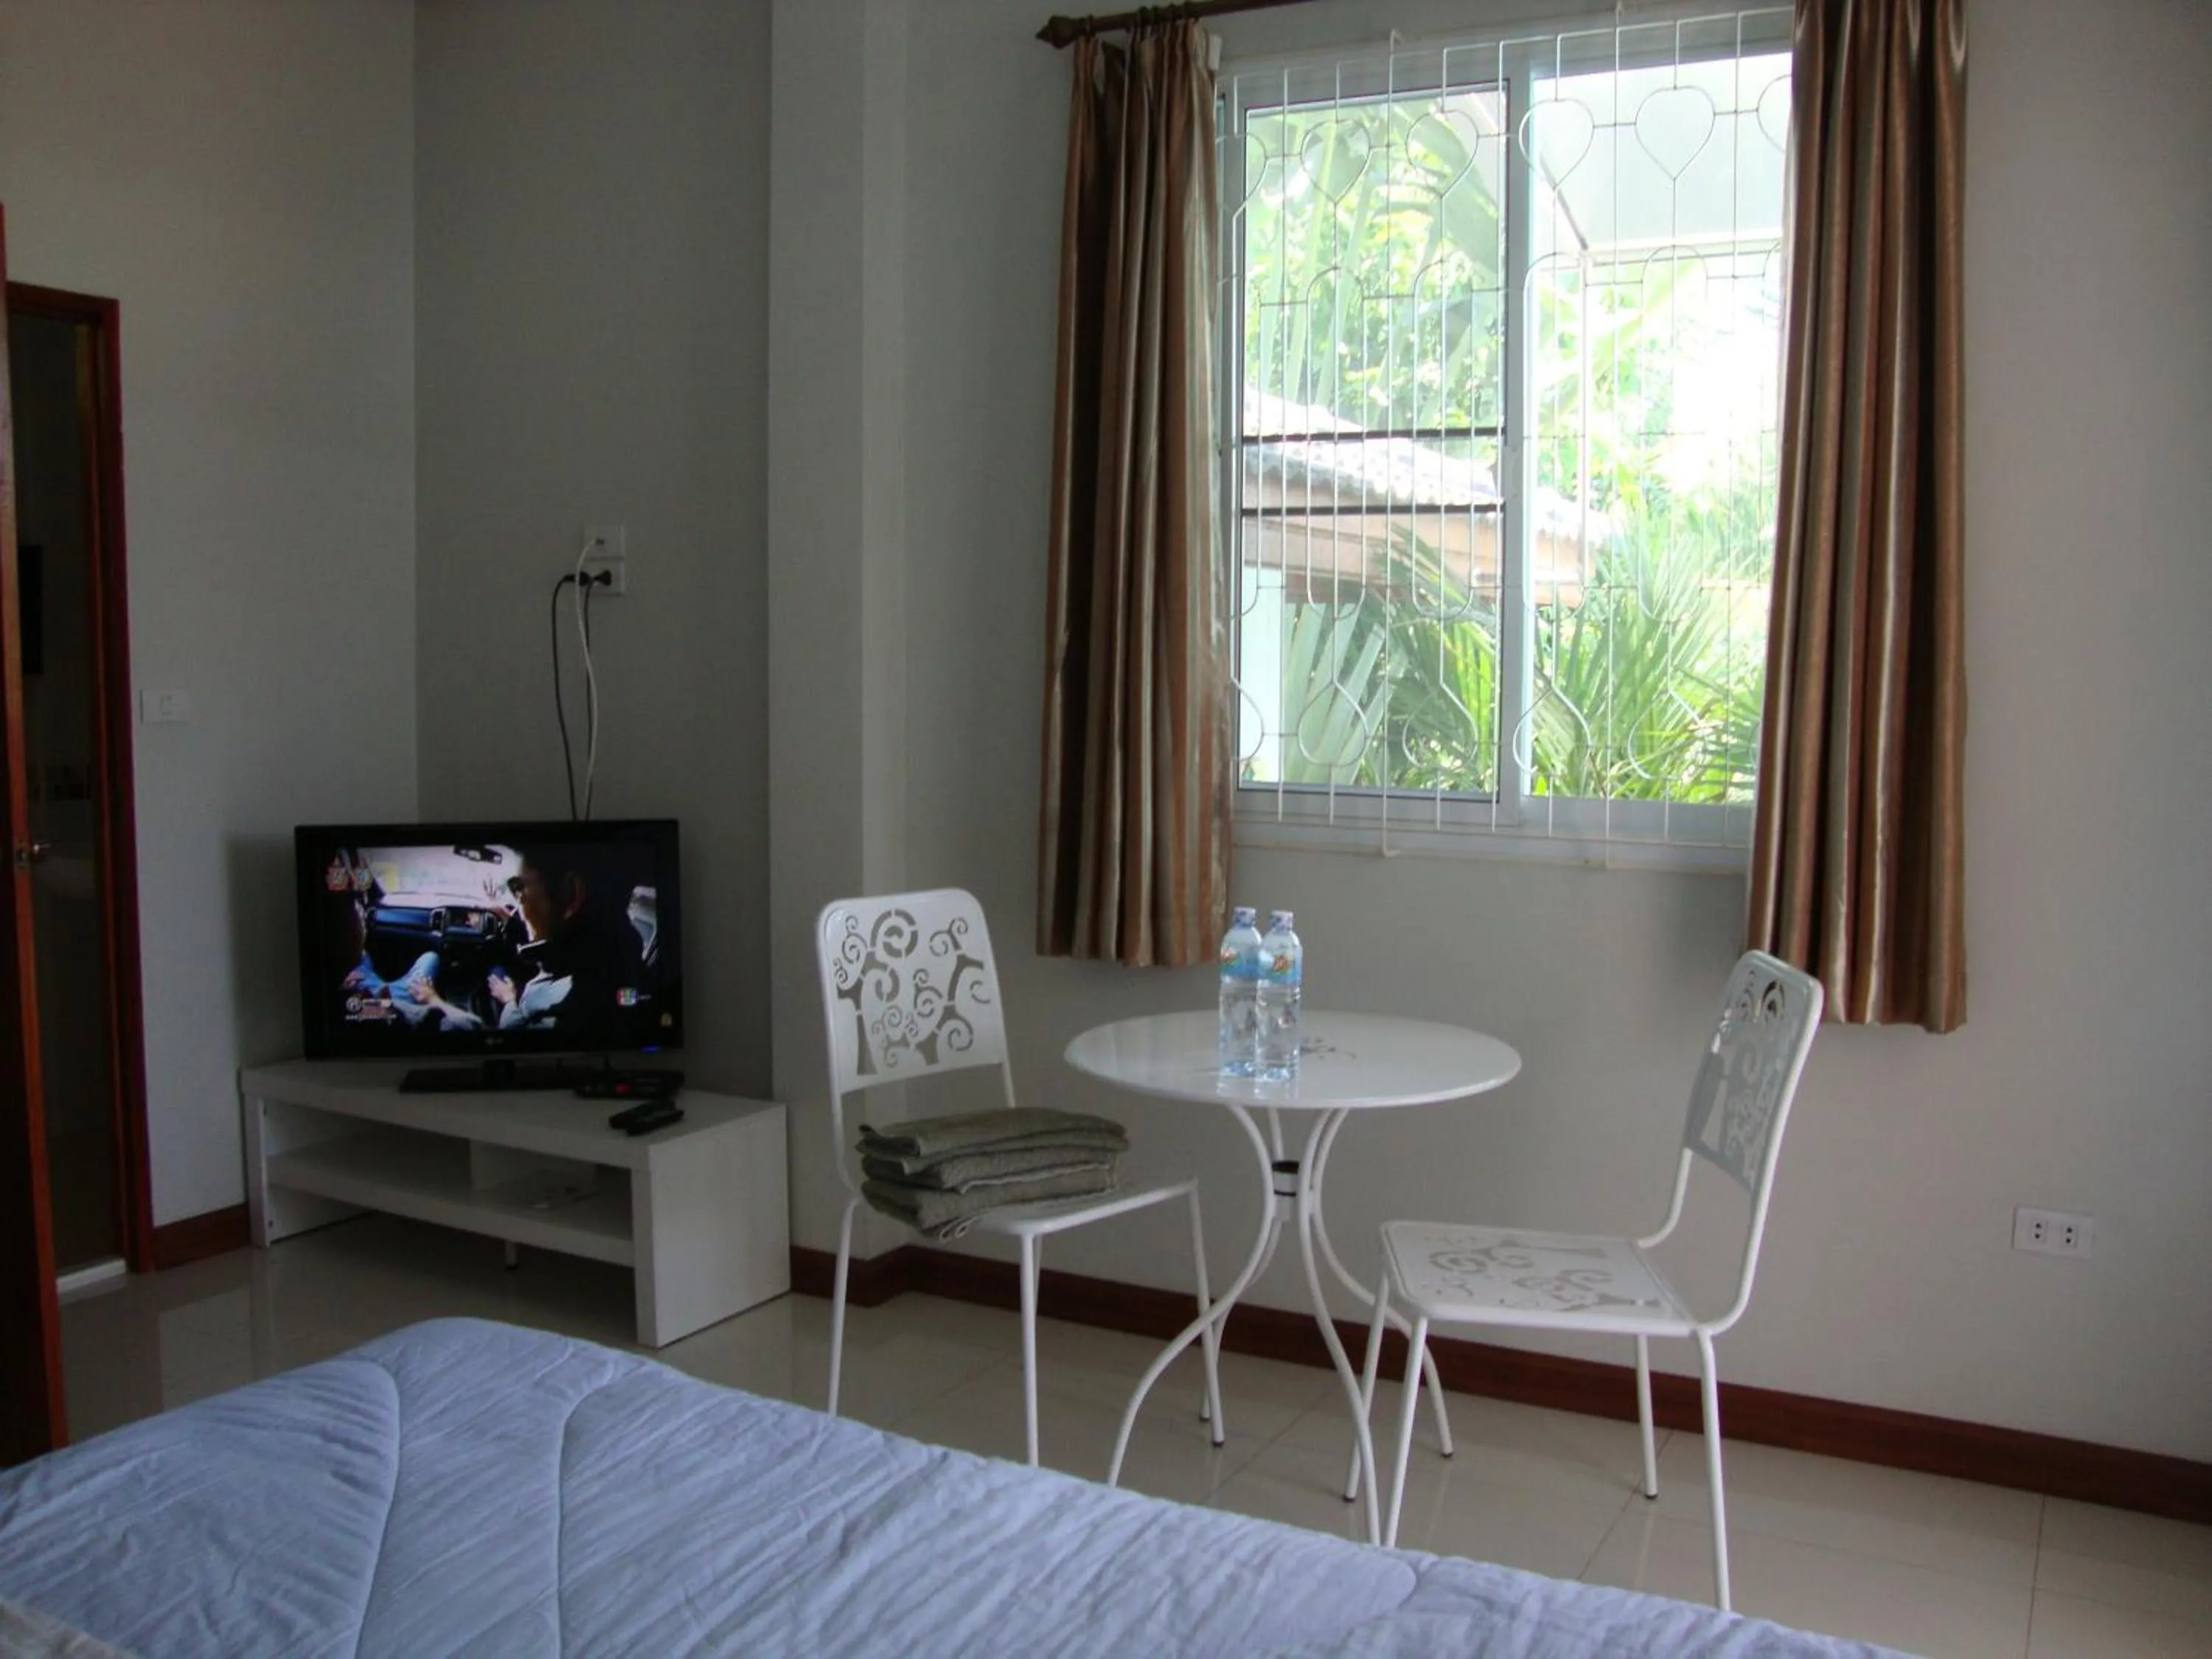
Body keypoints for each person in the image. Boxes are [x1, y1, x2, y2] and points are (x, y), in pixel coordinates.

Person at [488, 844, 647, 1032]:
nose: (519, 905)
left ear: (569, 893)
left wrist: (509, 1002)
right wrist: (508, 921)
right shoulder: (617, 954)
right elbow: (552, 940)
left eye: (519, 887)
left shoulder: (565, 1013)